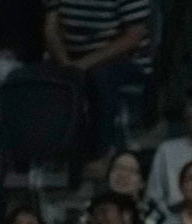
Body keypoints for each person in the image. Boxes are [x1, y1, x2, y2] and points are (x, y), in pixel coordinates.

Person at [43, 0, 153, 156]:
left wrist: (83, 65)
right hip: (70, 58)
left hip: (123, 60)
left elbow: (133, 37)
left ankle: (104, 153)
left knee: (101, 79)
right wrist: (66, 63)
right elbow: (51, 27)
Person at [73, 150, 166, 224]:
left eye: (131, 170)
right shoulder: (94, 207)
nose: (123, 175)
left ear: (142, 182)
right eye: (118, 168)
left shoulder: (154, 212)